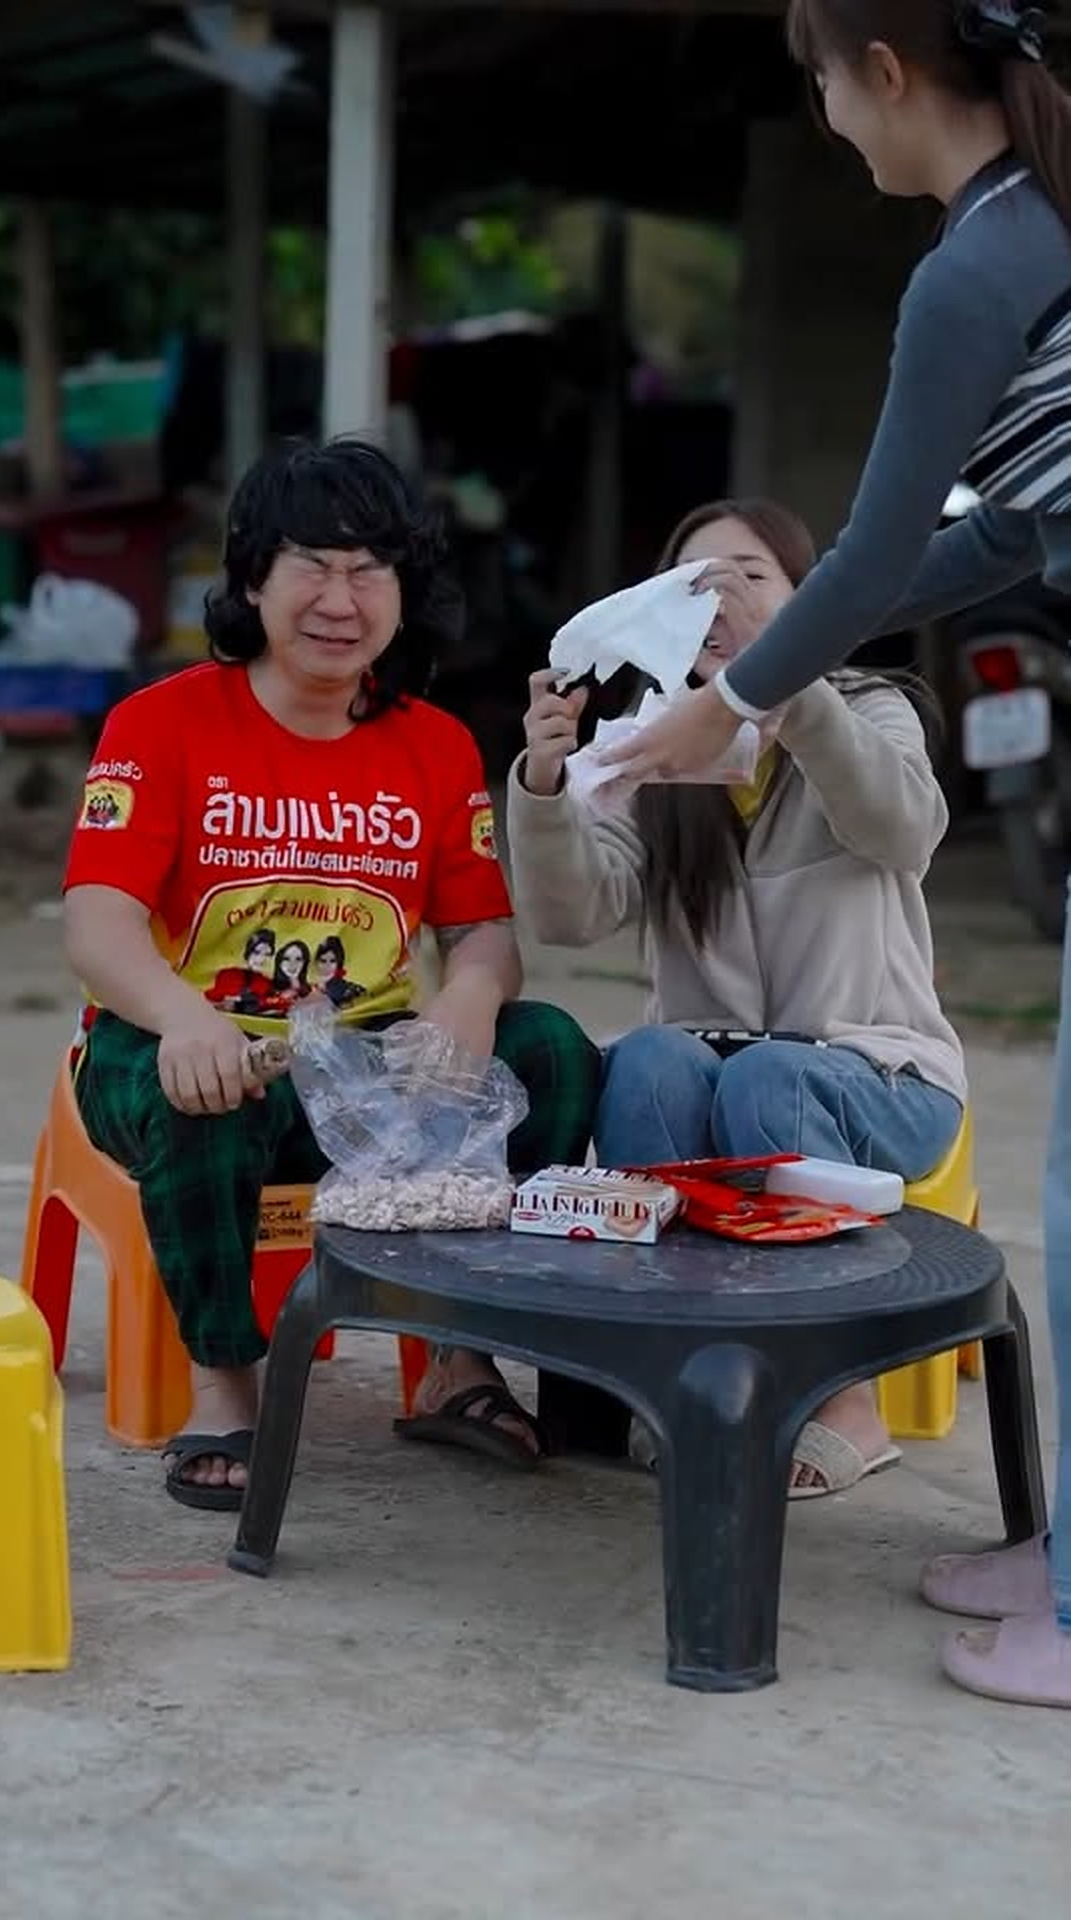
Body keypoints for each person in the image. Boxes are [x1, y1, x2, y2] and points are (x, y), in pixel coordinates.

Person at [599, 0, 1071, 1705]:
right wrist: (762, 670)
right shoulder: (1033, 224)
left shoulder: (982, 257)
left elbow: (872, 546)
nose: (826, 118)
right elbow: (993, 538)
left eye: (818, 81)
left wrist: (736, 700)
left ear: (881, 68)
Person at [63, 436, 600, 1510]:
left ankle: (458, 1356)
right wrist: (183, 1017)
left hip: (363, 1074)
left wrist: (468, 995)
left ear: (405, 591)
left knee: (554, 1051)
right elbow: (96, 923)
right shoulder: (160, 724)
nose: (340, 600)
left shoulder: (436, 746)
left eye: (370, 570)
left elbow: (484, 934)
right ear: (254, 578)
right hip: (181, 1048)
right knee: (201, 1099)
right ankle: (227, 1382)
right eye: (311, 564)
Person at [508, 495, 966, 1494]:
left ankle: (840, 1396)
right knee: (646, 1060)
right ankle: (677, 1380)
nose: (719, 604)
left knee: (772, 1080)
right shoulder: (656, 739)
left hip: (879, 1077)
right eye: (692, 587)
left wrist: (790, 692)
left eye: (750, 580)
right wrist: (544, 781)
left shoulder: (868, 708)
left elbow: (904, 832)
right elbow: (572, 917)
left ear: (808, 601)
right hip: (715, 1075)